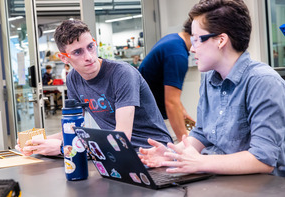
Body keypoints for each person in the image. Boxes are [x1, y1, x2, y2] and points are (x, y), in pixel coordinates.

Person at [139, 0, 285, 177]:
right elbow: (202, 134)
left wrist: (201, 162)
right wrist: (172, 155)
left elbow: (262, 159)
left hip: (257, 185)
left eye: (196, 39)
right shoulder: (209, 78)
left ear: (221, 40)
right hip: (219, 179)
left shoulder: (263, 81)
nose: (192, 48)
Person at [16, 19, 172, 156]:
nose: (89, 57)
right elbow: (75, 131)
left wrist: (64, 148)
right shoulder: (73, 79)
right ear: (64, 58)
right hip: (112, 154)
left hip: (150, 153)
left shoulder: (122, 74)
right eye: (78, 52)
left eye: (90, 47)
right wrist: (38, 143)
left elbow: (122, 139)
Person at [139, 19, 194, 142]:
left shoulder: (172, 40)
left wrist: (183, 113)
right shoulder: (177, 55)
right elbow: (171, 102)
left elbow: (170, 92)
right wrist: (184, 141)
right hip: (154, 117)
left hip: (150, 112)